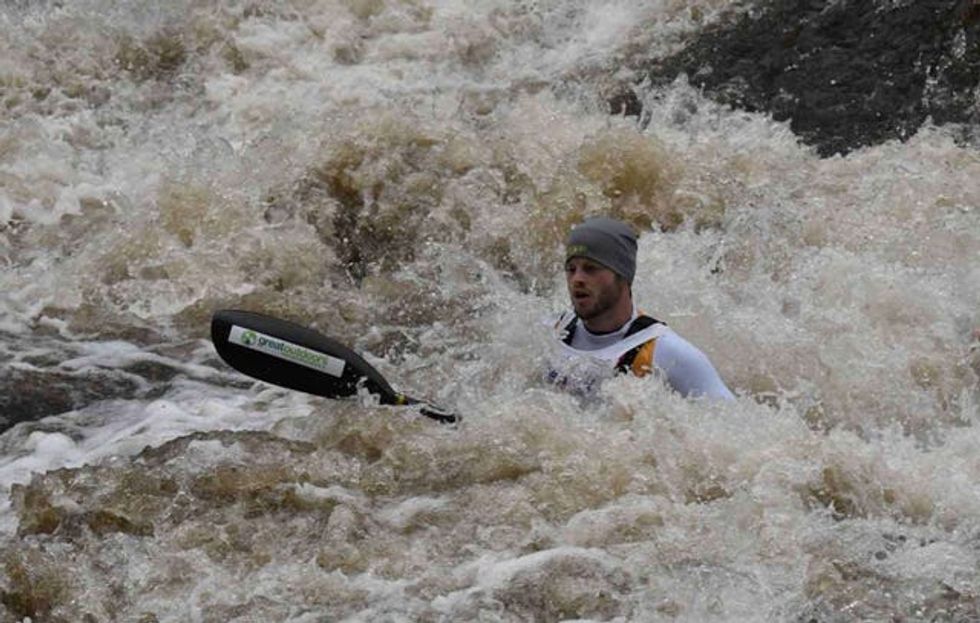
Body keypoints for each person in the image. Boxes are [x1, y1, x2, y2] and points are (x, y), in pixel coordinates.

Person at [547, 216, 735, 400]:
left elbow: (732, 423)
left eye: (591, 268)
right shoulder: (552, 333)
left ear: (623, 276)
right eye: (571, 269)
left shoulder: (669, 353)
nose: (577, 279)